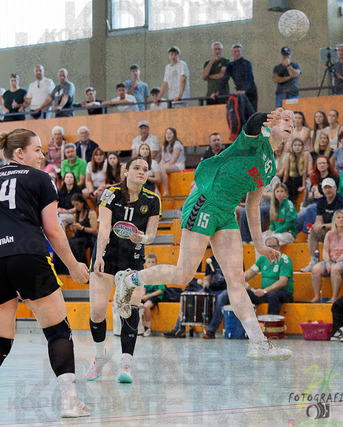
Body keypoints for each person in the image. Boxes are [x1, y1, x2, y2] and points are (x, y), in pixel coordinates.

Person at [113, 108, 294, 361]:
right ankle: (129, 279)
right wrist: (266, 115)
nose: (290, 123)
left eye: (293, 122)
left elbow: (253, 206)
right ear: (271, 123)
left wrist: (260, 245)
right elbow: (252, 122)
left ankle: (258, 343)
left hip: (227, 212)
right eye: (285, 118)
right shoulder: (257, 138)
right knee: (183, 274)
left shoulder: (270, 166)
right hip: (205, 201)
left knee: (236, 279)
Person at [0, 128, 90, 418]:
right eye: (37, 149)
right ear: (19, 153)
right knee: (58, 330)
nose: (42, 155)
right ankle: (70, 403)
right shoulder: (40, 178)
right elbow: (53, 230)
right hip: (29, 256)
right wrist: (73, 265)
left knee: (2, 337)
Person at [86, 156, 161, 383]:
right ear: (126, 172)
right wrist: (99, 255)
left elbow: (152, 235)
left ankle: (126, 365)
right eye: (136, 168)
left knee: (130, 310)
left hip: (133, 260)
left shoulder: (153, 199)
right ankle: (100, 355)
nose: (141, 171)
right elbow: (104, 227)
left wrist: (143, 238)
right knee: (97, 312)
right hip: (107, 257)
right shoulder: (111, 193)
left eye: (145, 169)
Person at [163, 253, 228, 339]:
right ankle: (179, 329)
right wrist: (206, 285)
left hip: (228, 290)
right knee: (191, 296)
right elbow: (207, 278)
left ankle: (211, 331)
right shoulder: (211, 260)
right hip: (213, 290)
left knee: (221, 297)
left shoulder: (234, 258)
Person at [301, 178, 343, 272]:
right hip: (329, 230)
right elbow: (319, 219)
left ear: (335, 188)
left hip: (342, 230)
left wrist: (323, 226)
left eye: (329, 187)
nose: (327, 190)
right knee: (312, 233)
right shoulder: (321, 200)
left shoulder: (341, 200)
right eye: (325, 188)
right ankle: (313, 262)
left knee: (333, 228)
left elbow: (341, 221)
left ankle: (336, 261)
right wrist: (316, 226)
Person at [310, 210, 343, 303]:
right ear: (334, 220)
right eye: (338, 218)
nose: (341, 220)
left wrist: (335, 262)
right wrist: (327, 262)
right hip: (331, 259)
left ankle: (334, 297)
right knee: (315, 269)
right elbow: (325, 250)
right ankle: (317, 296)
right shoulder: (330, 233)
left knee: (335, 269)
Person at [214, 44, 258, 111]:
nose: (237, 53)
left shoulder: (247, 63)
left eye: (238, 51)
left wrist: (244, 90)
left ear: (241, 52)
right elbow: (225, 79)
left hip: (250, 92)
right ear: (232, 53)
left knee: (252, 113)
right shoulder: (231, 65)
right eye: (234, 51)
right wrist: (217, 91)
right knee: (241, 113)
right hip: (239, 92)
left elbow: (249, 78)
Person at [263, 182, 297, 247]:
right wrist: (270, 230)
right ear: (274, 193)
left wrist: (274, 232)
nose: (279, 194)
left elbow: (289, 225)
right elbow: (272, 223)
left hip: (288, 234)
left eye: (281, 191)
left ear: (285, 193)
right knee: (260, 238)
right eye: (277, 191)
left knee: (270, 240)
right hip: (276, 233)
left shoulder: (289, 205)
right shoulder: (274, 206)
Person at [68, 194, 98, 266]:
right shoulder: (76, 214)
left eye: (77, 205)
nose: (76, 207)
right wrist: (73, 228)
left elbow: (94, 230)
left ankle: (82, 265)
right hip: (78, 236)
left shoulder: (91, 213)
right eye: (74, 205)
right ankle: (69, 266)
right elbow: (75, 232)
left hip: (88, 237)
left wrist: (82, 228)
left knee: (76, 244)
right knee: (66, 242)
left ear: (82, 203)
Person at [139, 254, 165, 337]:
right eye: (149, 262)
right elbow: (144, 288)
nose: (151, 264)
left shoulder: (160, 275)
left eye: (153, 262)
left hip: (156, 296)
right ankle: (138, 328)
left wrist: (148, 296)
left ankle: (147, 328)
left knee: (146, 306)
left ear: (156, 263)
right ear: (146, 264)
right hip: (147, 295)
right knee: (136, 304)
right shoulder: (145, 275)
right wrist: (142, 295)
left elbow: (160, 290)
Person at [159, 127, 186, 197]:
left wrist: (163, 166)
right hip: (168, 165)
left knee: (162, 168)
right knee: (157, 169)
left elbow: (173, 161)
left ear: (174, 135)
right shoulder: (164, 146)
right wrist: (158, 166)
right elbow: (162, 159)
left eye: (170, 133)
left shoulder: (177, 144)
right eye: (167, 133)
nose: (168, 135)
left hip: (178, 164)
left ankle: (166, 191)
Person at [282, 138, 309, 203]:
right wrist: (283, 184)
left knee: (295, 188)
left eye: (299, 145)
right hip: (291, 178)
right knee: (288, 185)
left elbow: (305, 171)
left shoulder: (305, 156)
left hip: (300, 178)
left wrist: (303, 185)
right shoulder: (289, 156)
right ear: (292, 147)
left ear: (302, 147)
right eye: (295, 145)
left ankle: (293, 203)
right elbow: (286, 171)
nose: (297, 147)